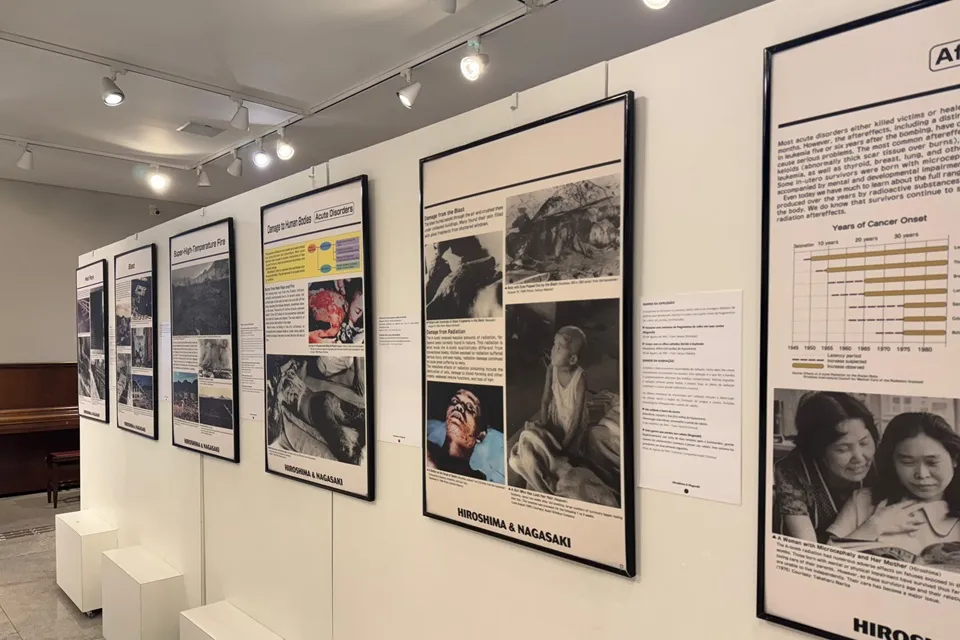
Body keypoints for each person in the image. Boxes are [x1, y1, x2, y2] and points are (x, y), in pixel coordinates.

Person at [828, 412, 960, 555]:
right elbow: (825, 563)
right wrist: (874, 526)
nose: (922, 474)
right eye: (907, 462)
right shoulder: (863, 500)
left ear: (954, 459)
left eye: (932, 462)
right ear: (892, 462)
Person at [774, 392, 878, 543]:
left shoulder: (881, 464)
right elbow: (808, 548)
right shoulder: (793, 471)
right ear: (818, 451)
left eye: (864, 443)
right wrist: (873, 527)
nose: (860, 458)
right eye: (842, 449)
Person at [538, 326, 588, 456]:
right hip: (558, 414)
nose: (553, 350)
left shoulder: (580, 379)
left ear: (572, 359)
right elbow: (545, 400)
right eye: (554, 344)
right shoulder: (551, 368)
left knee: (572, 454)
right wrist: (544, 425)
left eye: (559, 348)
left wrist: (564, 446)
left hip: (573, 422)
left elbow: (576, 418)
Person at [426, 389, 489, 481]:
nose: (458, 406)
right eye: (455, 401)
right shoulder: (424, 447)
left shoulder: (478, 479)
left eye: (470, 407)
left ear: (480, 435)